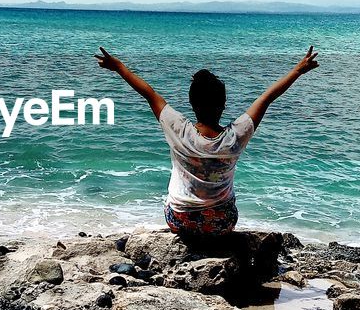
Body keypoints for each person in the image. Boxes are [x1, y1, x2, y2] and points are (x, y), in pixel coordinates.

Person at [95, 46, 319, 238]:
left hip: (180, 221)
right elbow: (266, 98)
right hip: (221, 223)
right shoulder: (235, 136)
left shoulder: (179, 129)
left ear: (191, 103)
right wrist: (298, 70)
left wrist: (119, 67)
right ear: (223, 104)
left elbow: (149, 94)